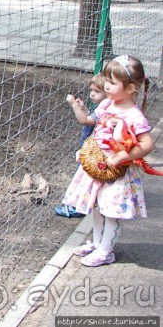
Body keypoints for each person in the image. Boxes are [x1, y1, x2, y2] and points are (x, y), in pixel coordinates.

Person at [61, 55, 154, 267]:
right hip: (98, 167)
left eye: (112, 82)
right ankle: (97, 243)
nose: (107, 86)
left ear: (130, 89)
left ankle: (106, 251)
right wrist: (79, 108)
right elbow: (90, 121)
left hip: (117, 173)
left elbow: (147, 144)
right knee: (97, 207)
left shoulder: (134, 115)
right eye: (107, 80)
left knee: (111, 212)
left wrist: (125, 156)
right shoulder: (108, 104)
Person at [55, 74, 107, 218]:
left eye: (97, 91)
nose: (92, 94)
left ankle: (78, 207)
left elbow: (84, 121)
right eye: (91, 90)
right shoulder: (103, 107)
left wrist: (73, 105)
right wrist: (83, 108)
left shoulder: (105, 108)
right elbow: (91, 118)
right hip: (93, 148)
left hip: (94, 150)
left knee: (85, 177)